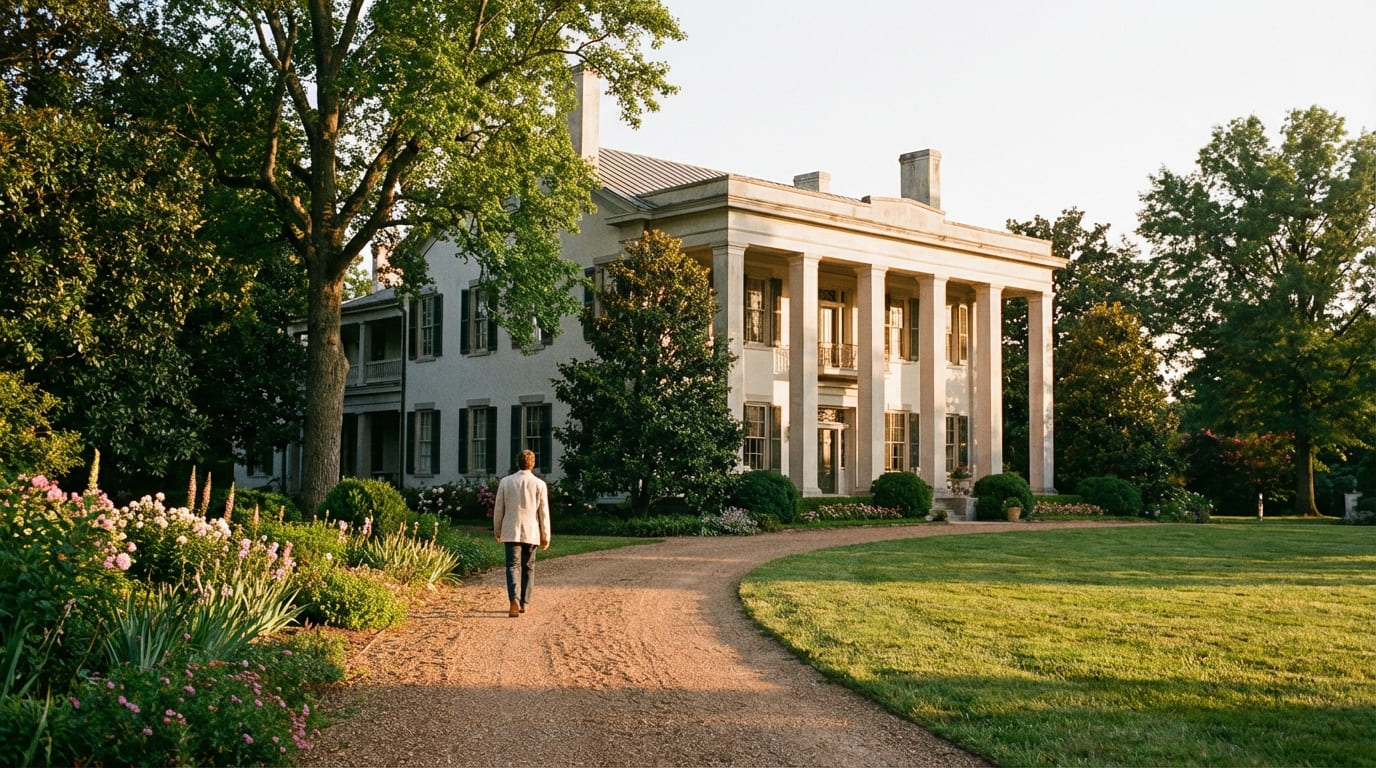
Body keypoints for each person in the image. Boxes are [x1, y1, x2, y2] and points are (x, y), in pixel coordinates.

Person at [492, 449, 550, 618]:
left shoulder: (505, 482)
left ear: (518, 463)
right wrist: (545, 536)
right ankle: (524, 602)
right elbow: (544, 513)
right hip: (531, 531)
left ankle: (513, 599)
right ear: (533, 464)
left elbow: (498, 509)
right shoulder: (539, 484)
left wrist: (497, 530)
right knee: (528, 567)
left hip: (511, 530)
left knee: (512, 566)